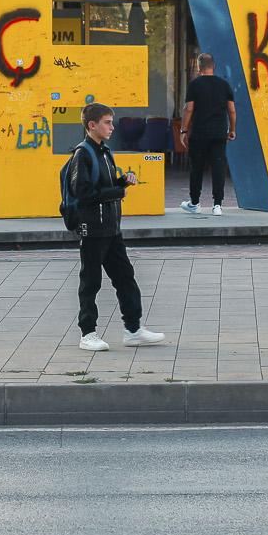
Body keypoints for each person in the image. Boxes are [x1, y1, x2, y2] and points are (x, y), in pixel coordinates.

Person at [68, 102, 166, 351]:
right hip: (93, 229)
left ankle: (133, 330)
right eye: (107, 122)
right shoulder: (83, 154)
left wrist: (122, 181)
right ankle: (87, 333)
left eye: (111, 122)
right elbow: (82, 192)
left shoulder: (104, 151)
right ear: (92, 125)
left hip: (111, 228)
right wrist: (117, 191)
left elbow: (106, 184)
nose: (112, 126)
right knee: (91, 281)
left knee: (125, 277)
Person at [177, 53, 236, 216]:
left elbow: (189, 108)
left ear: (198, 66)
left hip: (199, 133)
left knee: (197, 167)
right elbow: (231, 109)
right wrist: (232, 129)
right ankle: (217, 205)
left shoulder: (194, 85)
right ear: (214, 66)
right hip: (219, 133)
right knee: (218, 167)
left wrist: (184, 130)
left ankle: (194, 203)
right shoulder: (224, 85)